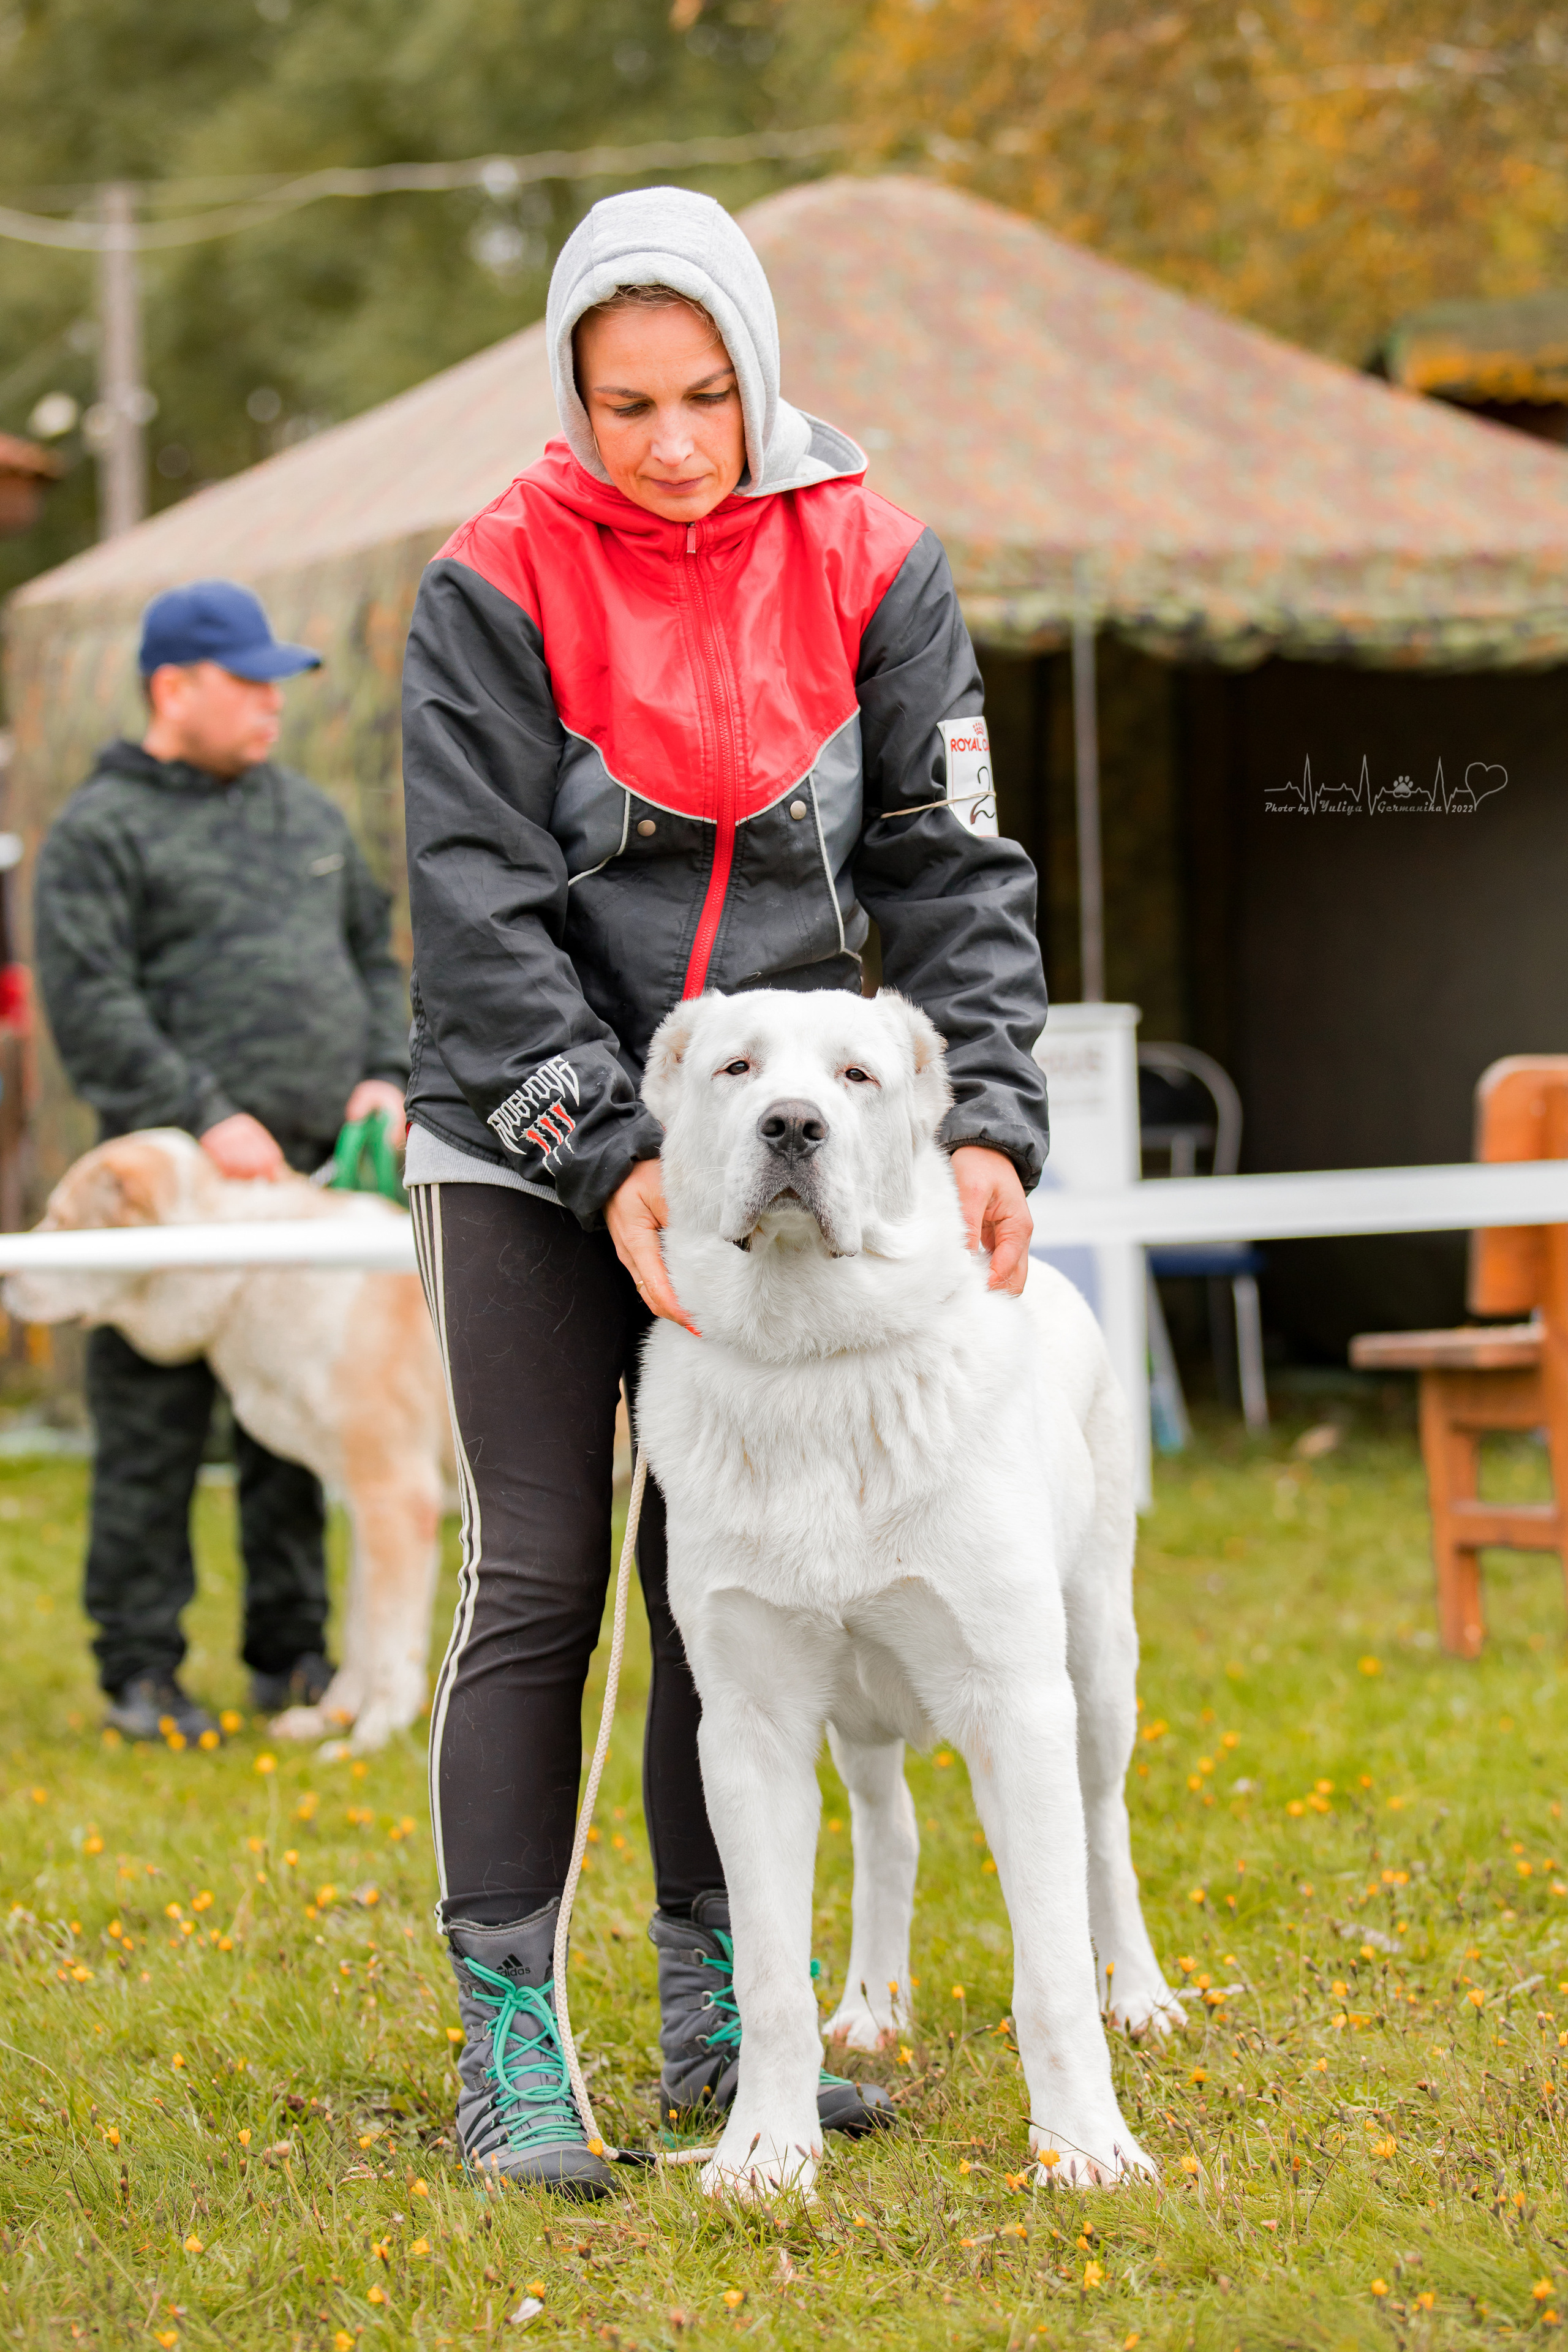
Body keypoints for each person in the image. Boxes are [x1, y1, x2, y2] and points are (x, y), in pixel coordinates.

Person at [401, 186, 1050, 2196]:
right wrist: (609, 1157)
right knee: (543, 1571)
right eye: (623, 406)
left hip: (789, 1127)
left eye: (704, 398)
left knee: (730, 1589)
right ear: (567, 397)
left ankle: (717, 2014)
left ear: (761, 376)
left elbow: (954, 870)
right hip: (536, 1138)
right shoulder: (488, 581)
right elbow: (478, 913)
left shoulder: (878, 556)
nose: (671, 446)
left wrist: (988, 1116)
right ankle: (513, 2034)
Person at [34, 580, 410, 1745]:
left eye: (277, 686)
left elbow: (374, 956)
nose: (270, 707)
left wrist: (385, 1072)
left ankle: (289, 1656)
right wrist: (198, 1113)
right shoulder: (100, 831)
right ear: (171, 687)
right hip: (169, 1196)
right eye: (247, 685)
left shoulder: (307, 816)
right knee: (149, 1429)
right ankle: (142, 1672)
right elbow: (90, 1005)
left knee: (294, 1429)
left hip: (309, 1191)